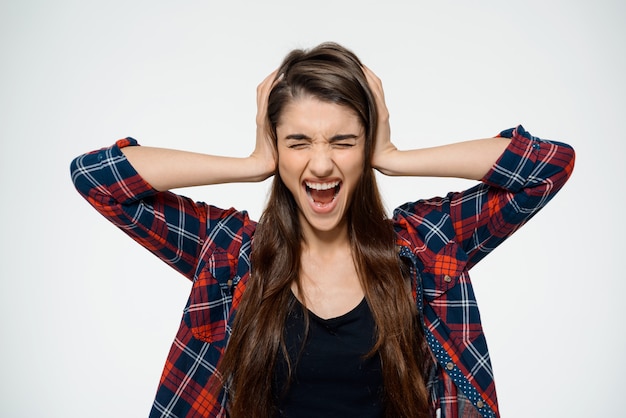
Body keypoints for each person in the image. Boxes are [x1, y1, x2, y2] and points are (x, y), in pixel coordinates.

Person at [70, 42, 575, 418]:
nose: (320, 164)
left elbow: (546, 168)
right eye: (297, 142)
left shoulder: (424, 245)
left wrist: (392, 157)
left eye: (343, 141)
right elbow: (97, 178)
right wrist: (251, 164)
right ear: (276, 147)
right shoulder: (229, 252)